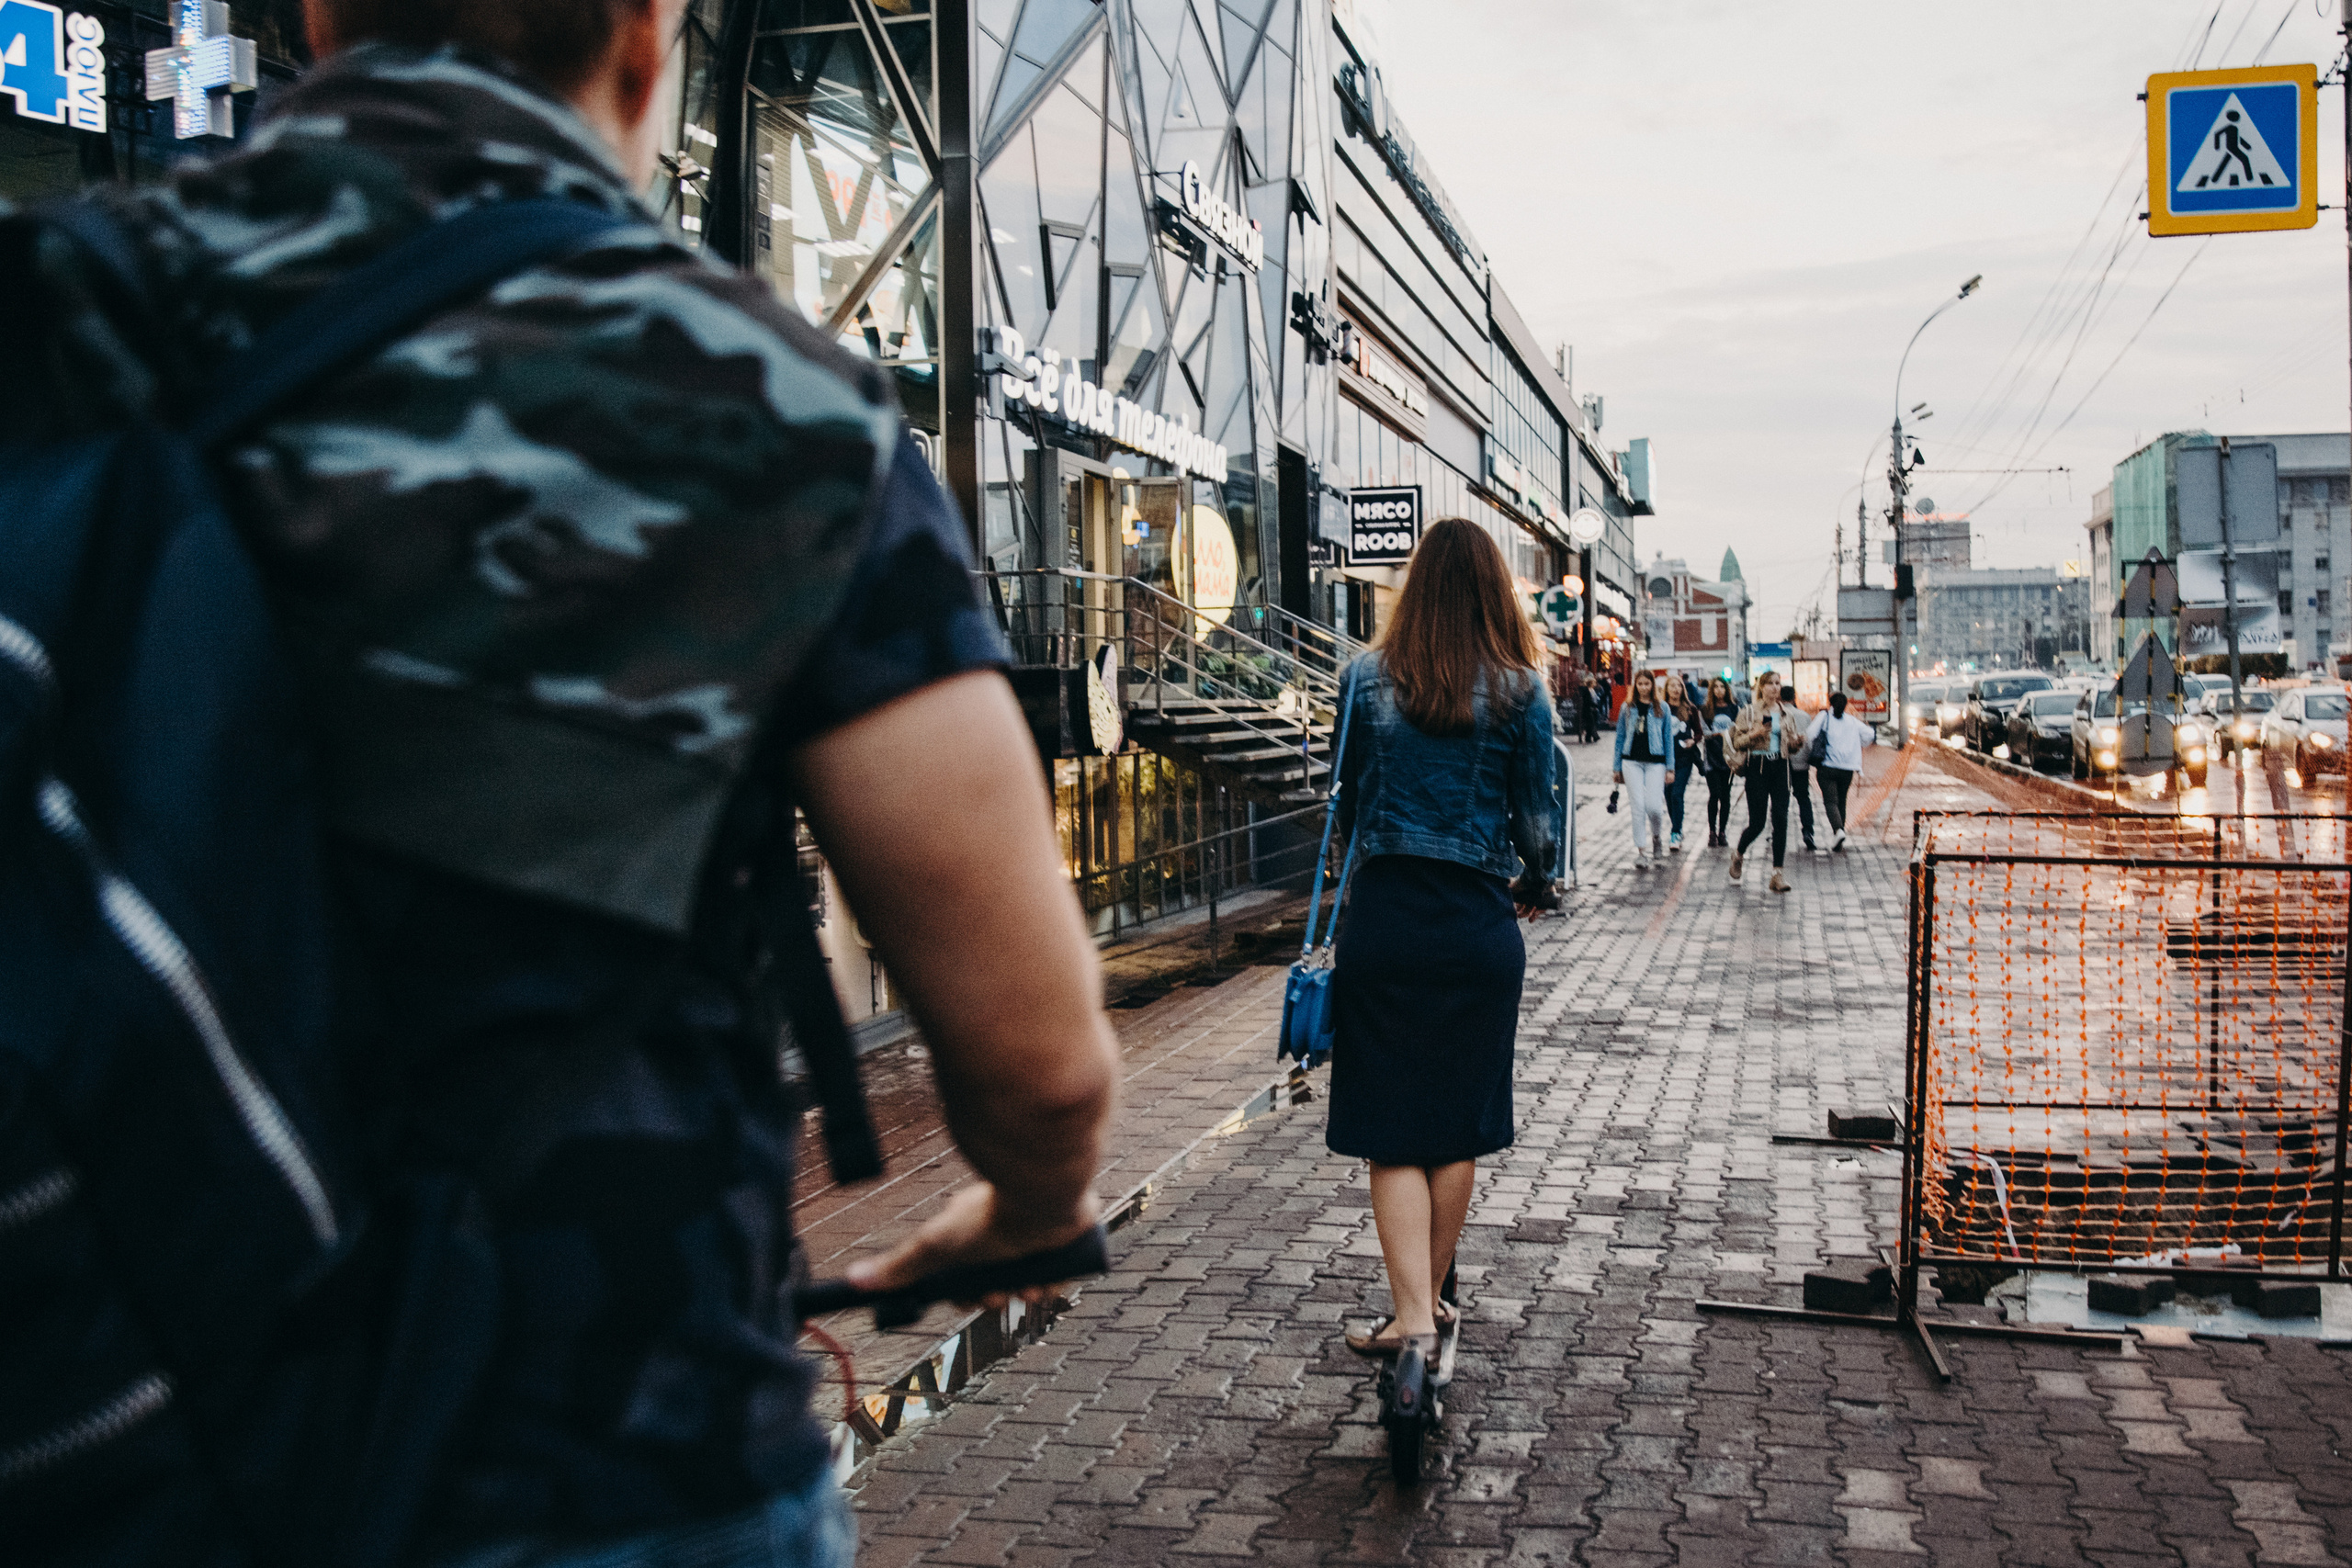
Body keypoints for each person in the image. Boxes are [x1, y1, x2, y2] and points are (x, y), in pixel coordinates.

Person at [4, 6, 1121, 1565]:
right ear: (647, 45)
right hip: (616, 1449)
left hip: (132, 1421)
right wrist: (1024, 1205)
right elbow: (1041, 1050)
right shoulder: (775, 404)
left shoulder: (70, 319)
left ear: (321, 22)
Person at [1327, 519, 1559, 1362]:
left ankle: (1413, 1313)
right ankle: (1425, 1312)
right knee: (1456, 1123)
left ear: (1414, 589)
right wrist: (1534, 885)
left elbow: (1345, 806)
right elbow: (1539, 825)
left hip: (1385, 921)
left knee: (1391, 1128)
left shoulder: (1361, 681)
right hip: (1473, 926)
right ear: (1497, 594)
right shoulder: (1523, 692)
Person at [1729, 671, 1809, 893]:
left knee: (1781, 819)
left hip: (1781, 768)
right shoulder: (1748, 712)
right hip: (1758, 767)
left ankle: (1777, 873)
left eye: (1778, 683)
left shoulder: (1786, 714)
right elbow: (1737, 742)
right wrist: (1754, 735)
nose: (1775, 688)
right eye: (1770, 684)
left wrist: (1797, 743)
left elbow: (1791, 748)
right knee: (1758, 823)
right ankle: (1738, 853)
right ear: (1761, 687)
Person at [1614, 669, 1675, 866]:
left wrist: (1670, 768)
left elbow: (1668, 739)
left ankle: (1657, 837)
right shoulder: (1627, 707)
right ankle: (1641, 851)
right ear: (1635, 685)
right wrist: (1616, 767)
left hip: (1655, 762)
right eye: (1640, 684)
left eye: (1647, 684)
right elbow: (1620, 738)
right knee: (1638, 807)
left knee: (1654, 807)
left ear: (1652, 685)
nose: (1643, 688)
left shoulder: (1662, 707)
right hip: (1631, 761)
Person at [1807, 692, 1878, 850]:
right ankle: (1839, 837)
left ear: (1830, 703)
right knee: (1841, 801)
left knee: (1831, 801)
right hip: (1848, 769)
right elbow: (1870, 734)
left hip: (1828, 767)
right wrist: (1859, 743)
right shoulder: (1852, 721)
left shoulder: (1824, 716)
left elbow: (1810, 734)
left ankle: (1838, 830)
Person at [1665, 684, 1703, 852]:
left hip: (1684, 758)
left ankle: (1676, 832)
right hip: (1666, 760)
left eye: (1678, 687)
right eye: (1672, 687)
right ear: (1667, 689)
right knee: (1668, 795)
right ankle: (1677, 825)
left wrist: (1693, 741)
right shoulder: (1662, 708)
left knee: (1676, 794)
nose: (1675, 690)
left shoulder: (1690, 708)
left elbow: (1699, 732)